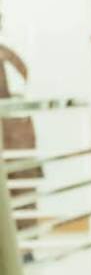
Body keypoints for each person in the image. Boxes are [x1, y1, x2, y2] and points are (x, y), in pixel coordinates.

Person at [0, 14, 42, 249]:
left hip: (11, 131)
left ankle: (22, 249)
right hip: (21, 129)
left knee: (19, 188)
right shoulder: (13, 50)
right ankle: (24, 248)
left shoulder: (7, 52)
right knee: (23, 189)